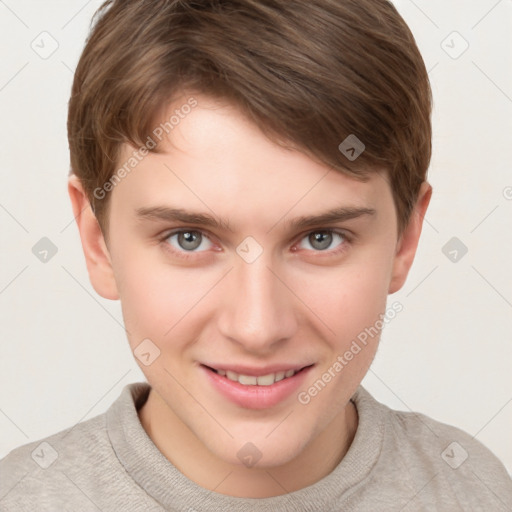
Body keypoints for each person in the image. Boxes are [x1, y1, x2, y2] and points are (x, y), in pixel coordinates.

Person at [1, 0, 511, 510]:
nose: (257, 328)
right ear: (98, 244)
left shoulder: (473, 489)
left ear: (405, 239)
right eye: (189, 239)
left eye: (321, 238)